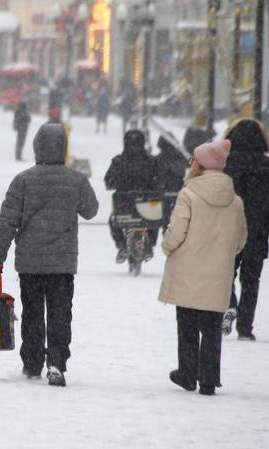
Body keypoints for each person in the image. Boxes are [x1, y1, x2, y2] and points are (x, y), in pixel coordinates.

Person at [0, 123, 99, 387]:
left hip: (30, 262)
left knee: (32, 312)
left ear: (37, 147)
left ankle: (32, 362)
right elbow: (91, 210)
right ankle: (57, 361)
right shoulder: (76, 179)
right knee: (61, 312)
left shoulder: (23, 180)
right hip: (62, 262)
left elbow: (8, 221)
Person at [159, 139, 247, 396]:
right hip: (218, 272)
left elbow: (177, 230)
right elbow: (241, 238)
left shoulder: (189, 194)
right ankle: (209, 378)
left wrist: (167, 247)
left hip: (188, 267)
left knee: (186, 323)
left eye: (194, 159)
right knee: (211, 328)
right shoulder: (235, 200)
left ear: (201, 164)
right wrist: (223, 255)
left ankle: (187, 374)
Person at [221, 118, 269, 340]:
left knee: (225, 273)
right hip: (257, 231)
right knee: (251, 281)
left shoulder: (224, 166)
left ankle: (229, 304)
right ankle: (245, 327)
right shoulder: (266, 167)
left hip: (229, 230)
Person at [104, 129, 158, 263]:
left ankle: (122, 246)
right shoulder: (151, 161)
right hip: (147, 206)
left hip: (124, 206)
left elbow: (109, 181)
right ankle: (150, 244)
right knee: (155, 219)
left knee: (113, 221)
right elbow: (158, 181)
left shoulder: (118, 161)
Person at [153, 132, 186, 232]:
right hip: (178, 192)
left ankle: (166, 233)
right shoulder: (181, 158)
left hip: (162, 192)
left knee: (165, 217)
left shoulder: (157, 159)